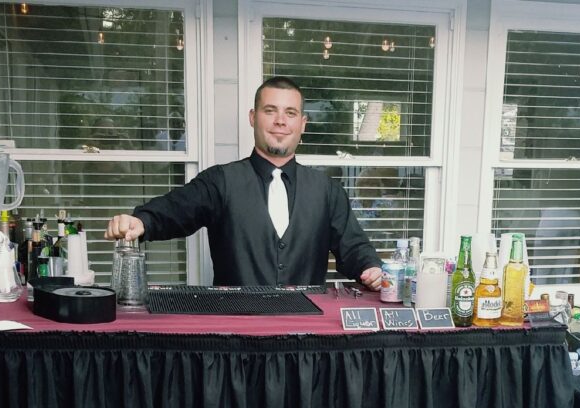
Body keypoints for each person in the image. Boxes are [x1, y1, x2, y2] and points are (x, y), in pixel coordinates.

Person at [105, 76, 383, 290]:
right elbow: (177, 209)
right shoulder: (221, 181)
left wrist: (370, 268)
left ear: (303, 124)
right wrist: (141, 221)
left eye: (290, 113)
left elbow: (354, 248)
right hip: (237, 343)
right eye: (270, 110)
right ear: (253, 117)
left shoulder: (327, 191)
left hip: (305, 342)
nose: (280, 121)